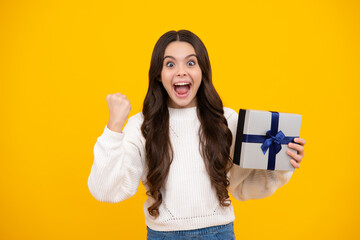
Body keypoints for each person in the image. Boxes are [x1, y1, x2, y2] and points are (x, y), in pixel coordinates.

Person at [87, 30, 306, 240]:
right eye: (170, 64)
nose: (181, 71)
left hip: (219, 234)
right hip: (163, 236)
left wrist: (282, 163)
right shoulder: (141, 125)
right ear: (158, 75)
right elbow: (106, 190)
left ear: (202, 71)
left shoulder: (226, 120)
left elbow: (244, 185)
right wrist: (113, 127)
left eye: (191, 63)